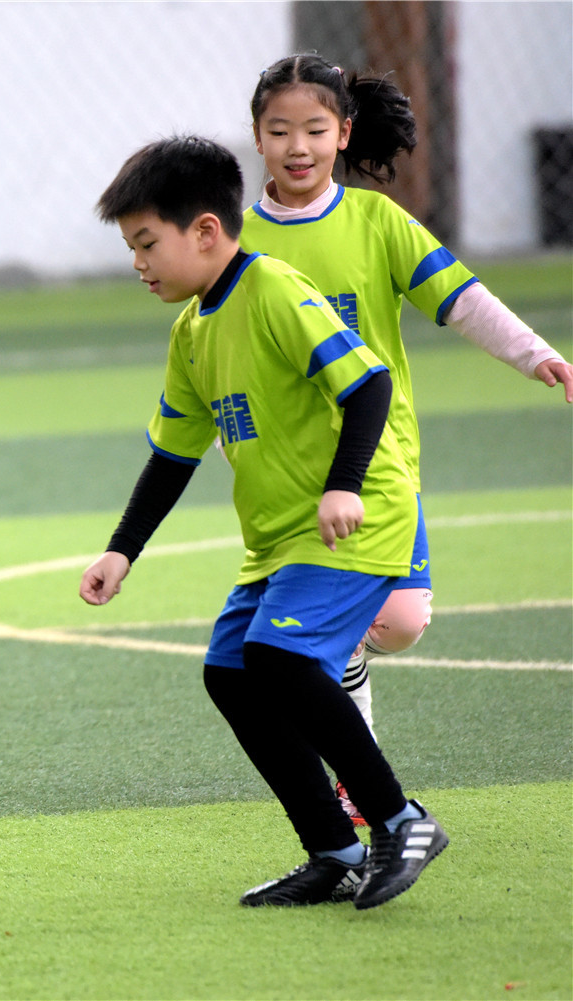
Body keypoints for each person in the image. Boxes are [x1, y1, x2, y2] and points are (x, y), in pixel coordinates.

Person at [80, 136, 448, 910]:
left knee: (280, 656)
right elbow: (173, 454)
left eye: (148, 243)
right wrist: (123, 549)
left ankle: (400, 819)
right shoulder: (192, 332)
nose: (139, 263)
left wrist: (344, 485)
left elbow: (370, 385)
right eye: (131, 248)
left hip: (359, 520)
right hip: (281, 541)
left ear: (207, 230)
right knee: (232, 671)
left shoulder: (275, 289)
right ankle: (335, 848)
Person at [241, 53, 573, 823]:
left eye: (316, 129)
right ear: (256, 137)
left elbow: (463, 300)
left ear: (344, 132)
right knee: (328, 635)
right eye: (280, 129)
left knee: (400, 621)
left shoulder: (376, 221)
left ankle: (347, 687)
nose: (298, 145)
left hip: (380, 464)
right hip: (292, 476)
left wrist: (537, 354)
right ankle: (360, 801)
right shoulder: (239, 239)